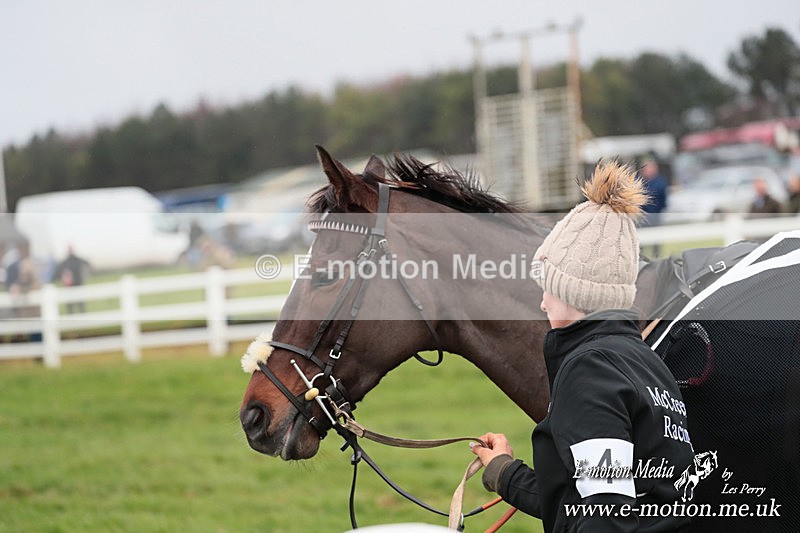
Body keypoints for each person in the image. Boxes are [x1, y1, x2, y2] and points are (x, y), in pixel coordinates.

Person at [470, 161, 695, 532]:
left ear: (573, 292)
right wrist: (506, 474)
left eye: (547, 287)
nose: (542, 303)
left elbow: (605, 519)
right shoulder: (647, 362)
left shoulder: (591, 370)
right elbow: (595, 500)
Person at [639, 158, 668, 257]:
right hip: (642, 218)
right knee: (641, 243)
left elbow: (661, 200)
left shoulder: (660, 182)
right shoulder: (640, 183)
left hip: (655, 216)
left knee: (656, 243)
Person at [52, 245, 91, 313]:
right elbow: (58, 272)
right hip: (69, 286)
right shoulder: (65, 262)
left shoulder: (77, 260)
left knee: (81, 303)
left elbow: (87, 264)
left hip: (78, 284)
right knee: (70, 305)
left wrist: (86, 274)